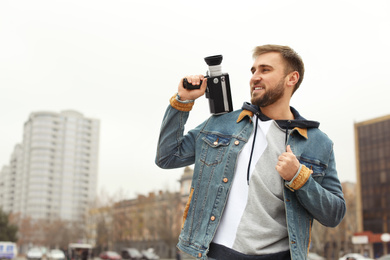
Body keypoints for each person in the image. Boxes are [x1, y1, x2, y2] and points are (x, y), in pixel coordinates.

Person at [155, 44, 346, 260]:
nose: (255, 77)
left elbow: (334, 215)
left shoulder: (318, 143)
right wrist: (183, 100)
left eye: (265, 70)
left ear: (291, 78)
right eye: (253, 71)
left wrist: (299, 178)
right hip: (215, 255)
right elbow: (167, 156)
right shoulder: (222, 123)